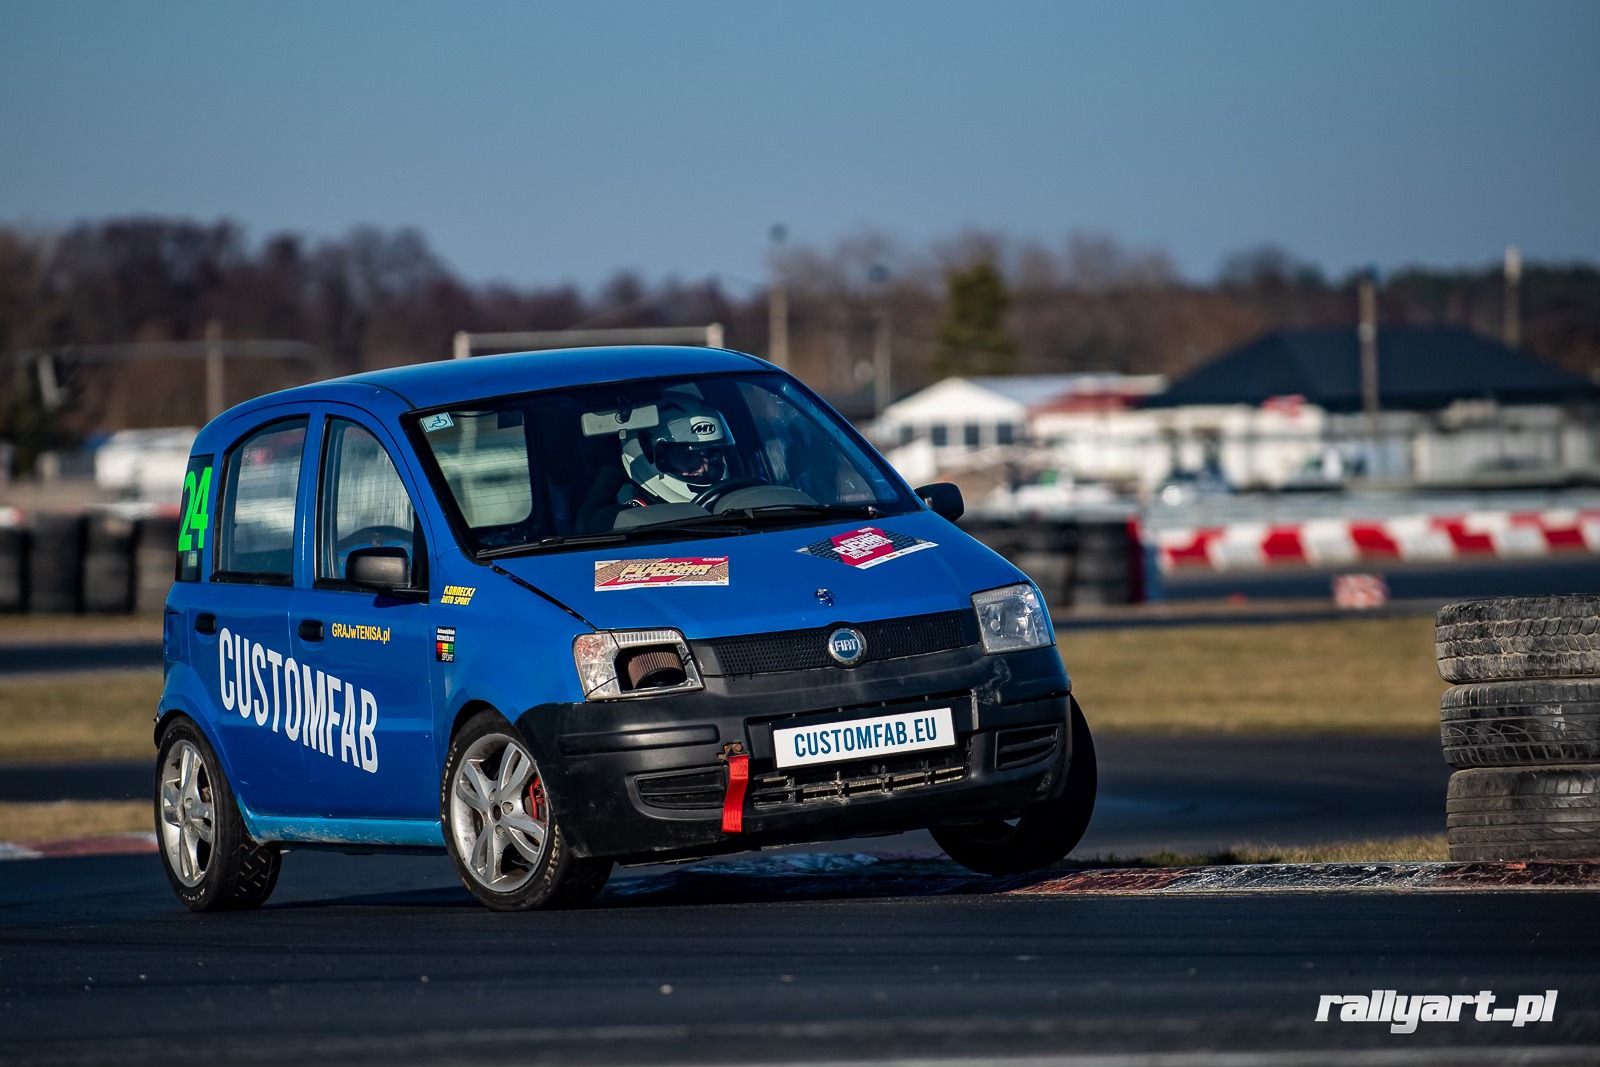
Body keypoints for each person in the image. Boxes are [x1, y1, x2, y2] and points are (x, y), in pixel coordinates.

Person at [618, 405, 739, 507]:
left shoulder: (734, 505)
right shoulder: (625, 522)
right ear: (648, 455)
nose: (703, 468)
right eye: (687, 456)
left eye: (707, 455)